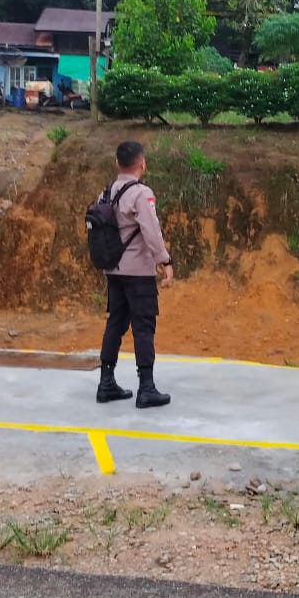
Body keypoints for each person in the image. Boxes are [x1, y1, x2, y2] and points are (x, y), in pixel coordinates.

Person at [97, 141, 174, 409]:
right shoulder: (141, 194)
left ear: (117, 164)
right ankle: (147, 388)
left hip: (113, 270)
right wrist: (165, 260)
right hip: (138, 272)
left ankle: (106, 383)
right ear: (142, 163)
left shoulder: (106, 192)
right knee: (143, 325)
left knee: (115, 322)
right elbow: (151, 232)